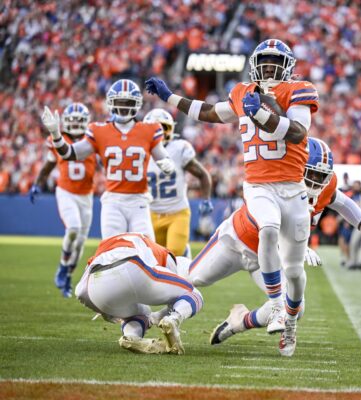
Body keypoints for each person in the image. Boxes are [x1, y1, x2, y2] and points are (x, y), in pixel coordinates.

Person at [145, 39, 317, 350]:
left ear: (287, 67)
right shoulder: (242, 93)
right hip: (255, 195)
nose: (268, 68)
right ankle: (152, 302)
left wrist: (262, 114)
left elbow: (297, 133)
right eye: (264, 62)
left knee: (296, 287)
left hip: (289, 192)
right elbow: (209, 112)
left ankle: (256, 320)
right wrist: (170, 97)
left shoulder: (298, 90)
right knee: (264, 230)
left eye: (275, 63)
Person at [173, 138, 361, 356]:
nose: (315, 181)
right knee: (192, 278)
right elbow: (271, 226)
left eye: (321, 176)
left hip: (269, 259)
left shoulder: (324, 186)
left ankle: (239, 322)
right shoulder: (280, 180)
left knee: (295, 307)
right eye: (311, 174)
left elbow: (343, 203)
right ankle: (163, 266)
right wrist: (296, 245)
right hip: (238, 241)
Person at [40, 79, 176, 240]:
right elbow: (69, 153)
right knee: (113, 249)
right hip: (113, 201)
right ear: (111, 103)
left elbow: (163, 156)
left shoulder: (149, 129)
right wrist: (56, 135)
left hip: (139, 201)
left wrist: (168, 163)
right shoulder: (99, 130)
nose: (123, 107)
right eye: (119, 102)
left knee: (147, 248)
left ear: (137, 104)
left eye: (128, 103)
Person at [75, 232, 202, 355]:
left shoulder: (106, 247)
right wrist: (163, 316)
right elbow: (174, 298)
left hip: (97, 285)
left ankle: (131, 336)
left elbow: (80, 292)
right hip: (132, 265)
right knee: (193, 294)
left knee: (139, 313)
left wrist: (107, 311)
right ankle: (173, 320)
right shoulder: (168, 256)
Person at [30, 103, 96, 297]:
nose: (75, 124)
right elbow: (49, 165)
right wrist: (37, 183)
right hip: (66, 192)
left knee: (80, 243)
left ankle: (68, 275)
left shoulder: (92, 139)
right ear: (66, 121)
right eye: (72, 120)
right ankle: (62, 265)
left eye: (79, 120)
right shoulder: (58, 140)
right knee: (73, 228)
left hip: (87, 195)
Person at [144, 108, 213, 257]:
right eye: (154, 129)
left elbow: (202, 174)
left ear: (170, 129)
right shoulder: (141, 152)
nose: (159, 132)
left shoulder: (178, 148)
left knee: (174, 254)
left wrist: (206, 200)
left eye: (163, 128)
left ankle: (184, 252)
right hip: (151, 213)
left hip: (177, 212)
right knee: (154, 258)